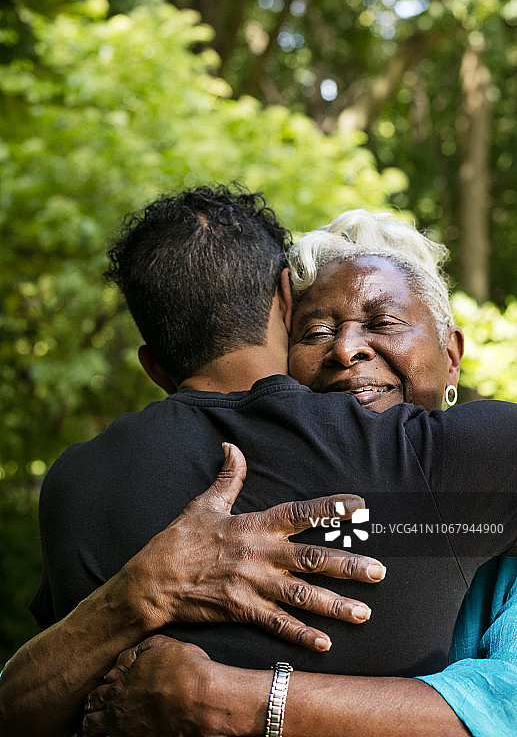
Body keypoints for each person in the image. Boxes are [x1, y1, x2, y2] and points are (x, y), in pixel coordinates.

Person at [2, 187, 516, 736]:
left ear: (452, 355)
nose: (347, 349)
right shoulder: (231, 479)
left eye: (385, 322)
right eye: (315, 332)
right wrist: (146, 584)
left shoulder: (479, 478)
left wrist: (229, 698)